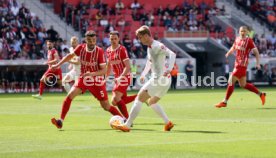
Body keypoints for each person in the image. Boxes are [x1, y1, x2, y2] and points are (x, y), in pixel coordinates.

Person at [50, 31, 122, 129]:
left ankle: (123, 120)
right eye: (89, 40)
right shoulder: (81, 48)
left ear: (95, 40)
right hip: (83, 79)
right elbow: (69, 56)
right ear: (85, 40)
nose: (92, 42)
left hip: (96, 81)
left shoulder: (99, 51)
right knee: (70, 95)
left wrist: (92, 74)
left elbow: (104, 70)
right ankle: (60, 121)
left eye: (93, 40)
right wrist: (57, 64)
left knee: (106, 106)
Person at [111, 25, 176, 132]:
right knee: (152, 102)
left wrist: (169, 68)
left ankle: (127, 125)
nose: (139, 40)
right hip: (165, 81)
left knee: (139, 98)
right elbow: (150, 62)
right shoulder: (150, 47)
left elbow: (172, 54)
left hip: (158, 79)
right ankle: (167, 123)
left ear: (146, 36)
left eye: (140, 37)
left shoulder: (157, 45)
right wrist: (143, 74)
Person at [215, 26, 266, 108]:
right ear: (239, 32)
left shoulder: (249, 41)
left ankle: (224, 102)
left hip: (242, 64)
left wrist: (258, 63)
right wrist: (229, 53)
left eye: (244, 31)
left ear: (247, 32)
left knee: (231, 81)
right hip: (237, 63)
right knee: (243, 84)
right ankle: (261, 94)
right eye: (241, 31)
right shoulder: (237, 39)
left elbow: (256, 52)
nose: (243, 33)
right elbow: (233, 47)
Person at [106, 31, 137, 120]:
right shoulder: (108, 50)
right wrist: (105, 78)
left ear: (119, 39)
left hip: (125, 77)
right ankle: (140, 97)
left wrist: (121, 77)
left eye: (115, 39)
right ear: (109, 39)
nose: (113, 41)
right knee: (114, 102)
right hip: (117, 78)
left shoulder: (122, 49)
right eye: (112, 39)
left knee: (116, 97)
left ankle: (127, 120)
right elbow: (108, 66)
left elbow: (128, 67)